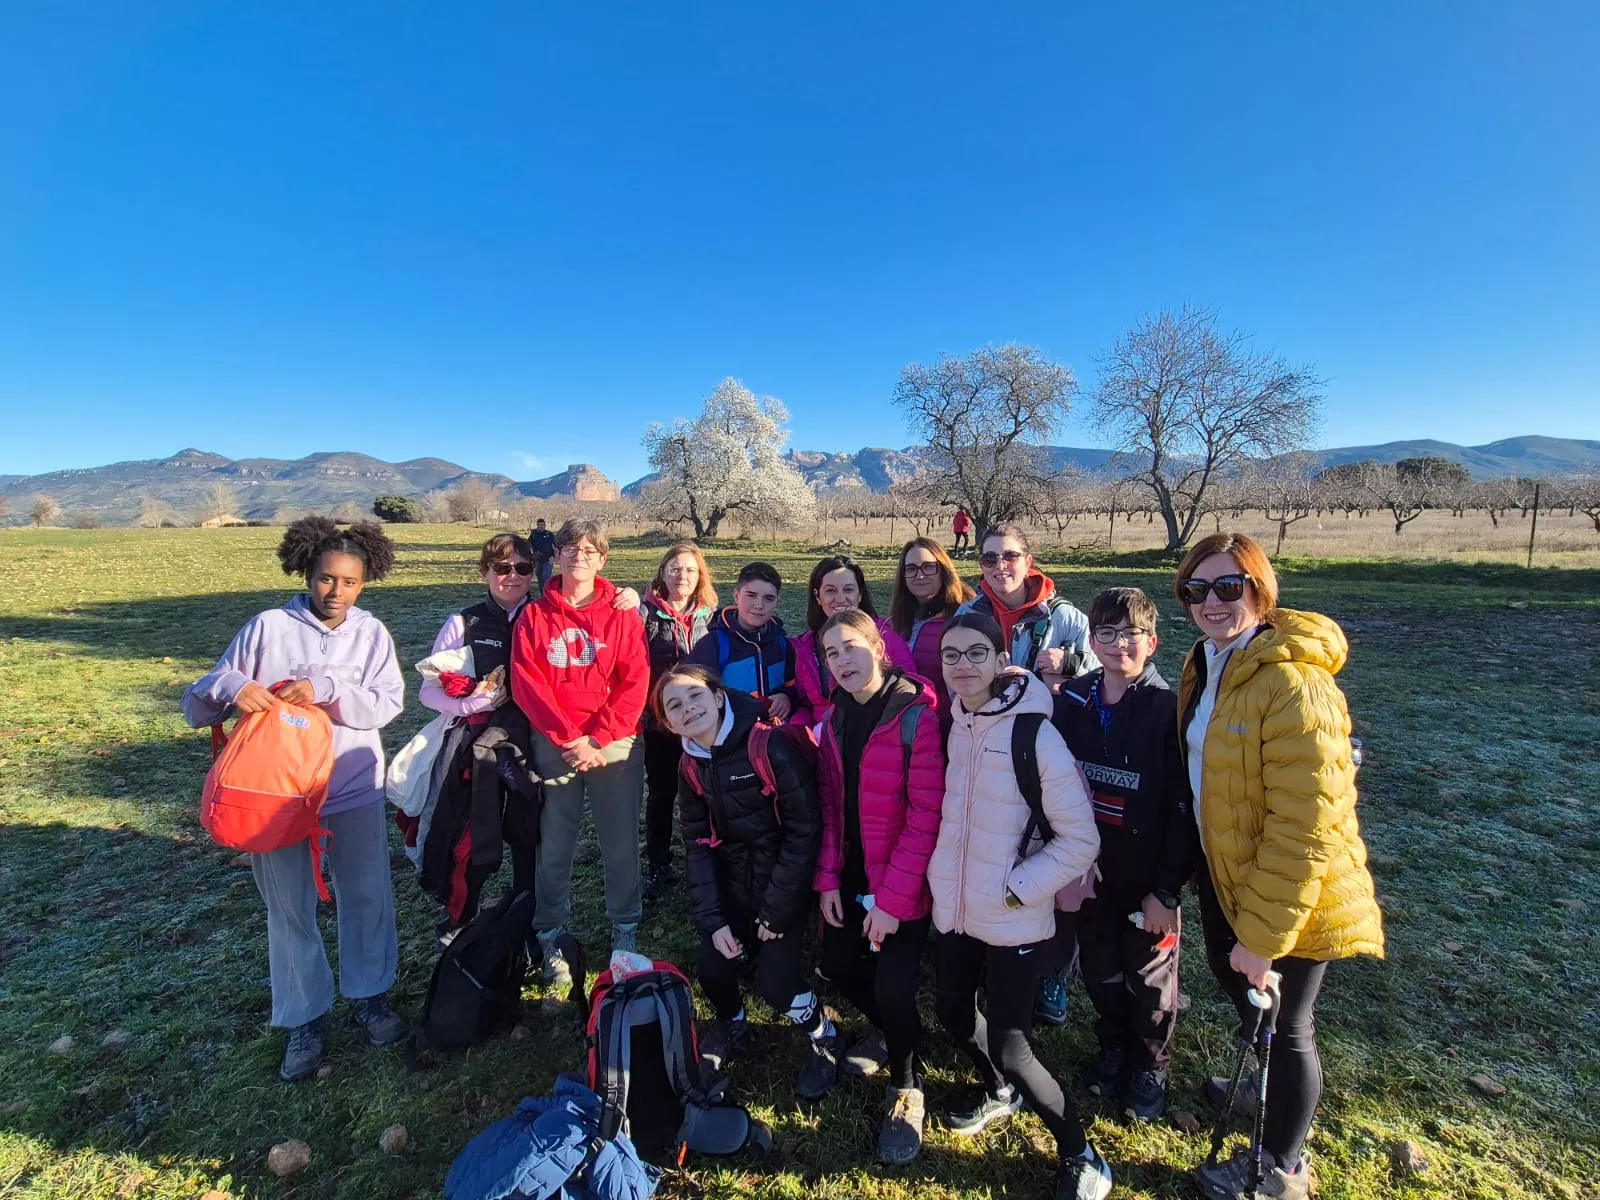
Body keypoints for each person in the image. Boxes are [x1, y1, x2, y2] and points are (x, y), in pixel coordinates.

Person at [1176, 533, 1384, 1200]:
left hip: (1294, 888)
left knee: (1288, 1025)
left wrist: (1264, 936)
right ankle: (1260, 1089)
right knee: (1247, 1002)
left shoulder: (1295, 682)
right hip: (1230, 870)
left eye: (1228, 587)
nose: (1211, 601)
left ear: (1261, 590)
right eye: (1197, 589)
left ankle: (1283, 1166)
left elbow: (1307, 827)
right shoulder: (1209, 661)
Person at [181, 517, 405, 1082]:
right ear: (307, 573)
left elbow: (388, 703)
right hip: (275, 797)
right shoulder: (267, 629)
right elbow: (198, 703)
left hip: (351, 787)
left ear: (365, 582)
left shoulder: (372, 634)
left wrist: (328, 690)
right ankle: (304, 1016)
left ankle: (370, 993)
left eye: (350, 583)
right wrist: (234, 687)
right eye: (327, 579)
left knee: (367, 894)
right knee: (289, 908)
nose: (337, 593)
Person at [928, 612, 1109, 1200]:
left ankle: (1081, 1153)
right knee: (954, 1014)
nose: (962, 666)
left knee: (1011, 1041)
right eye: (951, 655)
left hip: (1011, 910)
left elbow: (1081, 839)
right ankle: (998, 1091)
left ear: (1002, 658)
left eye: (976, 653)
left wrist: (1016, 887)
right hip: (955, 905)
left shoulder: (1035, 733)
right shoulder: (957, 720)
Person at [1052, 587, 1198, 1122]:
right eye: (1106, 634)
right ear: (1092, 640)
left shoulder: (1168, 711)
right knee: (1101, 968)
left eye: (1131, 634)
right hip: (1087, 869)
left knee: (1150, 978)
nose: (1118, 645)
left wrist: (1165, 890)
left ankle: (1150, 1064)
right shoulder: (1076, 699)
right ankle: (1111, 1045)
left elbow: (1183, 808)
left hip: (1145, 878)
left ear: (1152, 641)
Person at [651, 663, 830, 1093]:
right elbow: (697, 845)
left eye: (695, 695)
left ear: (717, 696)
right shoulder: (689, 766)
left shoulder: (768, 746)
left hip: (785, 886)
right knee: (713, 970)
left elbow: (804, 830)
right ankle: (733, 1023)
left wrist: (775, 912)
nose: (688, 708)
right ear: (669, 723)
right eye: (674, 706)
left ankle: (824, 1035)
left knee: (775, 985)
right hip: (735, 885)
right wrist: (713, 921)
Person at [811, 610, 944, 1165]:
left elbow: (925, 815)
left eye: (850, 647)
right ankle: (891, 1032)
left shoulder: (916, 714)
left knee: (893, 985)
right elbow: (831, 807)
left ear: (878, 647)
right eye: (831, 653)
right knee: (838, 965)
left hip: (903, 881)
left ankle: (906, 1089)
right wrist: (827, 879)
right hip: (852, 873)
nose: (841, 661)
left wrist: (892, 901)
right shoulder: (836, 717)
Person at [958, 523, 1098, 1025]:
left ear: (1029, 559)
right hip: (989, 754)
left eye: (1010, 556)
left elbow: (1107, 670)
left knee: (1053, 862)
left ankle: (1054, 973)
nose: (1001, 567)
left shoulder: (1064, 617)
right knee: (997, 854)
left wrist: (1073, 660)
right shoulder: (969, 614)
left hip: (1050, 753)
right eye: (991, 558)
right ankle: (989, 952)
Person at [510, 519, 650, 985]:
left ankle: (624, 929)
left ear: (603, 559)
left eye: (590, 550)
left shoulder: (623, 613)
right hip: (557, 745)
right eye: (571, 548)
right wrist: (568, 737)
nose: (579, 557)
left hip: (614, 745)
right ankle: (550, 933)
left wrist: (599, 738)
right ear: (557, 554)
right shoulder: (535, 616)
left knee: (620, 841)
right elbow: (528, 684)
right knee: (555, 842)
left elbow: (635, 680)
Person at [640, 543, 718, 901]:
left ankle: (710, 857)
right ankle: (657, 861)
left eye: (689, 570)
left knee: (706, 791)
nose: (681, 576)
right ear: (663, 572)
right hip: (659, 722)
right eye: (674, 568)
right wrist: (650, 715)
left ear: (699, 575)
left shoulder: (713, 616)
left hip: (702, 722)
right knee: (661, 794)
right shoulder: (645, 614)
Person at [791, 554, 918, 728]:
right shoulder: (805, 647)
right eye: (830, 591)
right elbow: (806, 702)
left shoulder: (885, 637)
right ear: (818, 596)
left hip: (877, 733)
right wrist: (799, 729)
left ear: (859, 594)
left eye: (848, 589)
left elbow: (910, 690)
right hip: (825, 740)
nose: (841, 598)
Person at [685, 561, 798, 720]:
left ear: (777, 602)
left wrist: (786, 697)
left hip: (774, 736)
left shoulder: (783, 644)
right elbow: (691, 694)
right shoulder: (713, 644)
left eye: (768, 598)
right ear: (736, 595)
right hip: (730, 737)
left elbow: (796, 687)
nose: (759, 605)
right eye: (751, 595)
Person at [887, 536, 972, 727]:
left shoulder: (963, 616)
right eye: (911, 569)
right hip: (909, 725)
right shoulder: (896, 623)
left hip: (953, 725)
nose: (919, 575)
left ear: (942, 570)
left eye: (928, 566)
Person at [529, 518, 557, 590]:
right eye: (539, 525)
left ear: (545, 525)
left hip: (548, 559)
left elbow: (556, 546)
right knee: (539, 577)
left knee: (546, 576)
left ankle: (547, 593)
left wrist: (553, 557)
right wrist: (532, 555)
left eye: (542, 525)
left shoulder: (549, 534)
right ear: (537, 525)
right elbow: (528, 545)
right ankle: (542, 595)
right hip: (538, 559)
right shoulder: (533, 535)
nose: (540, 526)